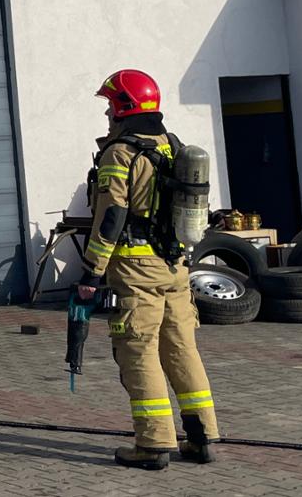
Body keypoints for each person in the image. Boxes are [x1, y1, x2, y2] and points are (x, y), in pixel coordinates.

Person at [75, 69, 221, 470]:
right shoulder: (171, 145)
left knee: (139, 352)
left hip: (136, 270)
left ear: (123, 106)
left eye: (110, 105)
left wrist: (91, 272)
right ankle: (202, 437)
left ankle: (153, 445)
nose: (107, 113)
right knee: (181, 349)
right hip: (174, 265)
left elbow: (111, 218)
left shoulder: (120, 153)